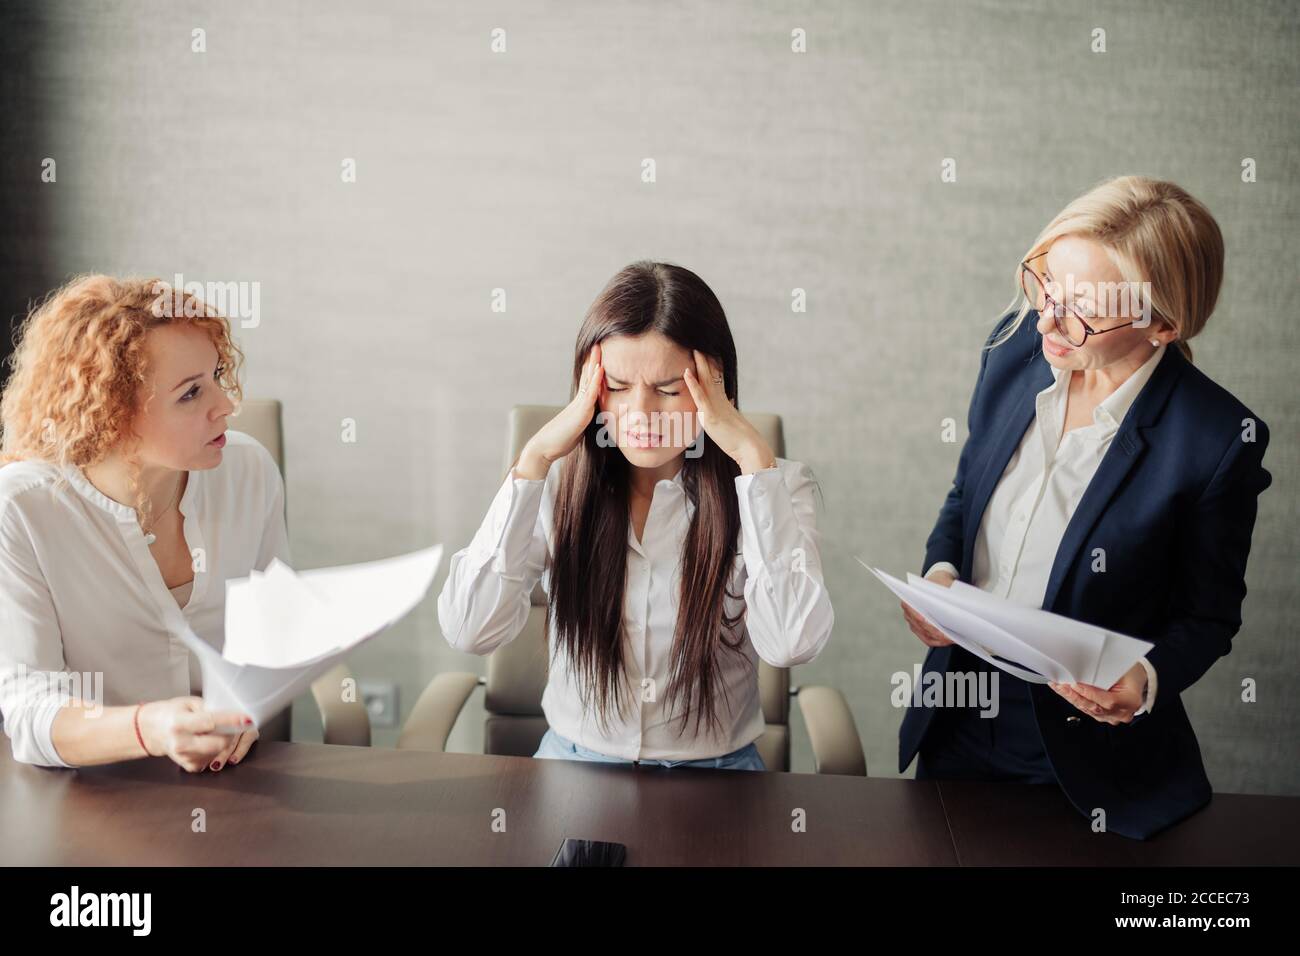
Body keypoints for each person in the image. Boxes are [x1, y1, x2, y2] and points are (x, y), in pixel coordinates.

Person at [899, 176, 1272, 839]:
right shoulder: (1013, 348)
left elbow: (1208, 616)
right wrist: (940, 579)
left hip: (1087, 763)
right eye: (1047, 287)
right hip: (957, 719)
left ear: (1163, 325)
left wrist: (1146, 677)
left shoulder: (1216, 441)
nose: (1046, 321)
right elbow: (967, 492)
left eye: (1084, 310)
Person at [438, 261, 834, 770]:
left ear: (715, 383)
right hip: (573, 762)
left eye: (669, 389)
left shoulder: (775, 487)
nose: (641, 414)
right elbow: (470, 630)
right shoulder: (555, 483)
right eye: (618, 386)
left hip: (719, 772)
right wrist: (532, 462)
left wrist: (755, 464)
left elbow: (791, 643)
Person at [0, 275, 289, 772]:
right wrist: (150, 729)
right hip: (90, 797)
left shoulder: (249, 471)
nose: (226, 405)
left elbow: (270, 636)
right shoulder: (22, 508)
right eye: (191, 393)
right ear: (110, 413)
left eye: (217, 375)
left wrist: (243, 712)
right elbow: (29, 709)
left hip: (237, 785)